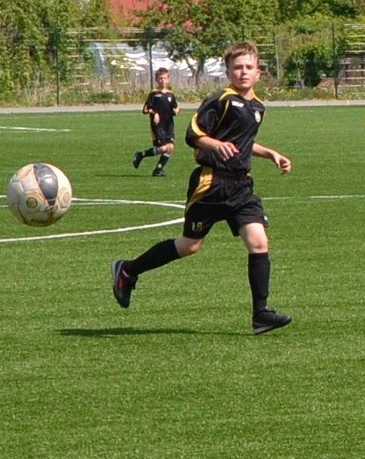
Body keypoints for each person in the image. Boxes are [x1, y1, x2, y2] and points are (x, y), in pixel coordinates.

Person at [112, 41, 293, 335]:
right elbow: (193, 134)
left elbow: (243, 143)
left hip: (241, 186)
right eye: (237, 67)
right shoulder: (220, 99)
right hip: (211, 183)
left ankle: (261, 314)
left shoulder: (258, 107)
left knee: (259, 241)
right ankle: (128, 270)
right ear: (228, 72)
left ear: (258, 72)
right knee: (189, 245)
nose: (243, 72)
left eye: (249, 67)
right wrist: (215, 144)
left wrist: (271, 153)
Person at [133, 67, 180, 177]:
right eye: (160, 78)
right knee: (163, 148)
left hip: (169, 125)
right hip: (157, 126)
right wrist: (154, 113)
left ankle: (158, 170)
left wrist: (176, 111)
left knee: (170, 147)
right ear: (156, 80)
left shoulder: (170, 94)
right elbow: (145, 109)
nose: (162, 80)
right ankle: (141, 155)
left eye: (164, 78)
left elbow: (176, 107)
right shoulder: (153, 94)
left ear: (168, 79)